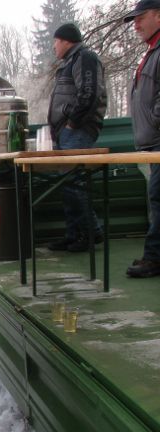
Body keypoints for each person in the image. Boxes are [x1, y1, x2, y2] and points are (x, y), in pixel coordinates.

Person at [46, 23, 108, 253]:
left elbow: (90, 93)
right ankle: (74, 235)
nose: (54, 47)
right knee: (68, 184)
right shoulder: (69, 63)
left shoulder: (85, 57)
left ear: (65, 40)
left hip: (77, 130)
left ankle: (91, 233)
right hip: (67, 132)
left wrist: (72, 123)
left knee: (74, 182)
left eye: (55, 41)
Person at [124, 1, 160, 277]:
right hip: (151, 141)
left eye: (140, 18)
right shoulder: (151, 52)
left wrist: (155, 123)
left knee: (157, 196)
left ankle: (154, 257)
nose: (136, 24)